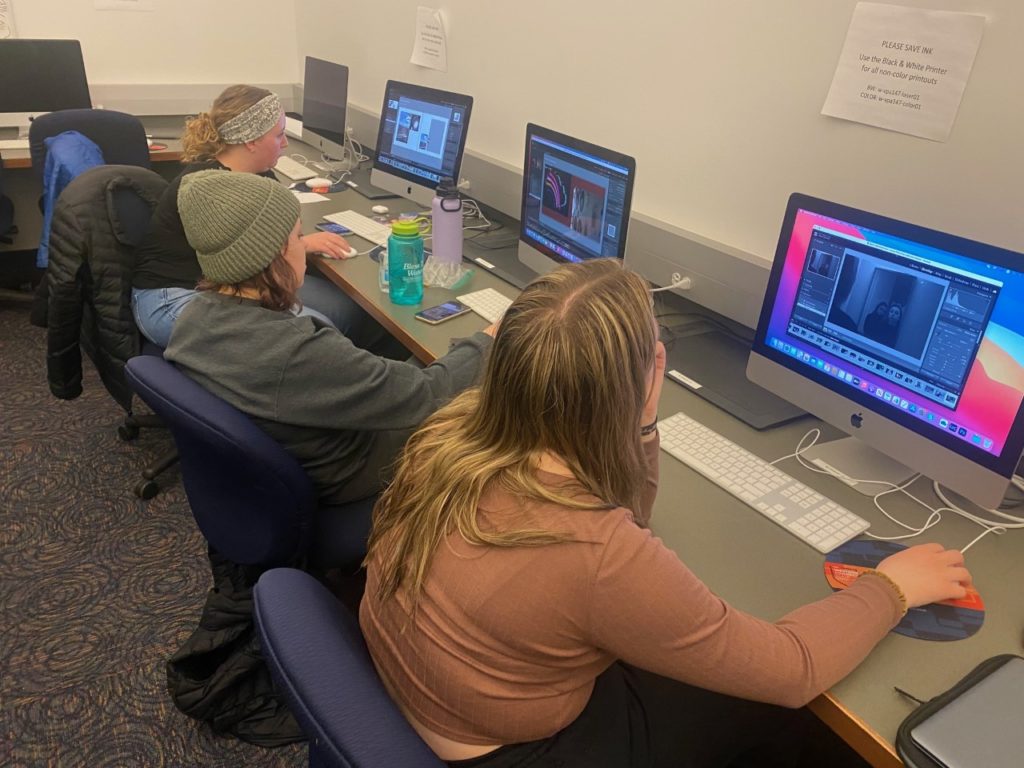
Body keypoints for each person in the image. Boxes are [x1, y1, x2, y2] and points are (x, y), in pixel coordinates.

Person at [360, 259, 972, 767]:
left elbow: (626, 518)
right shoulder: (596, 553)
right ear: (645, 375)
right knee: (790, 721)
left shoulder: (453, 433)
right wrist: (891, 588)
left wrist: (642, 423)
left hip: (420, 695)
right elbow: (792, 669)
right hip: (513, 750)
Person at [164, 170, 493, 506]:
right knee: (491, 407)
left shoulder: (195, 315)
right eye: (299, 236)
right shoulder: (295, 350)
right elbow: (427, 393)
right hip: (356, 471)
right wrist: (492, 339)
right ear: (276, 252)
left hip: (293, 456)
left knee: (405, 353)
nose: (303, 247)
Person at [132, 85, 386, 351]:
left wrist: (302, 243)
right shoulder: (208, 188)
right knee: (306, 332)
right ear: (251, 140)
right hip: (171, 298)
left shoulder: (260, 176)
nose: (285, 143)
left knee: (344, 310)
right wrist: (302, 245)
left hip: (223, 289)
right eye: (278, 135)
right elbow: (242, 267)